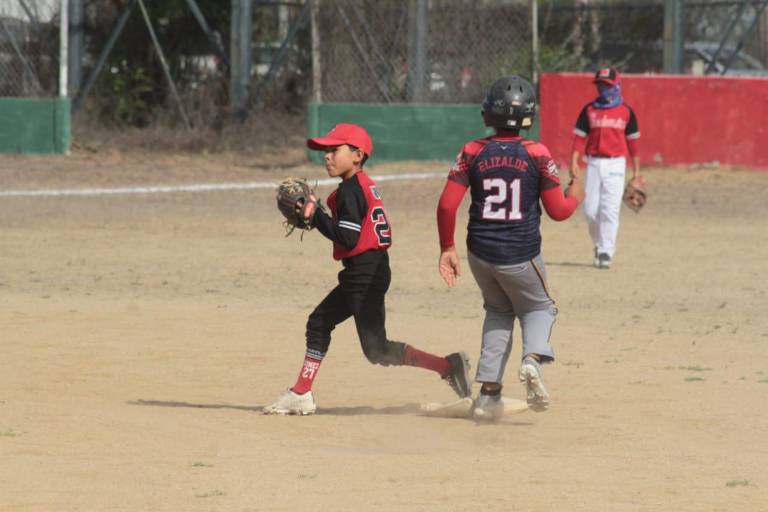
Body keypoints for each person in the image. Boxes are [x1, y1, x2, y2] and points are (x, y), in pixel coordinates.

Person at [264, 123, 472, 415]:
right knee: (376, 349)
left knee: (320, 323)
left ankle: (301, 392)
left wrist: (317, 216)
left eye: (335, 150)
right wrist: (321, 218)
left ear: (358, 155)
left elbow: (347, 237)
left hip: (365, 272)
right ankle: (447, 366)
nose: (327, 156)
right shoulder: (359, 186)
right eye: (325, 151)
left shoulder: (351, 191)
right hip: (369, 270)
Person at [436, 76, 584, 421]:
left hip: (479, 253)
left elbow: (446, 206)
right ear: (530, 117)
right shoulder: (537, 153)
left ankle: (488, 395)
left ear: (487, 114)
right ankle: (532, 360)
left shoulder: (472, 151)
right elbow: (559, 212)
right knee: (539, 308)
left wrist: (447, 247)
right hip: (520, 253)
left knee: (498, 312)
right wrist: (576, 194)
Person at [570, 68, 641, 269]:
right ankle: (598, 244)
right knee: (590, 210)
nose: (602, 89)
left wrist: (636, 173)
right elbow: (579, 138)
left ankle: (605, 251)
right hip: (593, 162)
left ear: (617, 86)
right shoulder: (589, 110)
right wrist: (574, 161)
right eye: (600, 85)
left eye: (607, 85)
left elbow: (634, 144)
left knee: (610, 209)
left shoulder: (626, 112)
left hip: (616, 163)